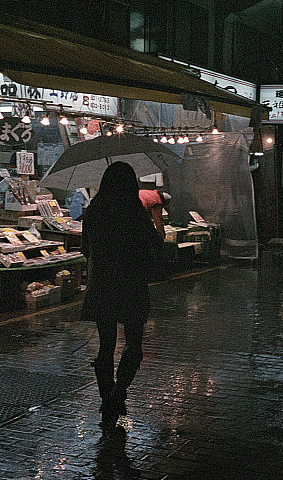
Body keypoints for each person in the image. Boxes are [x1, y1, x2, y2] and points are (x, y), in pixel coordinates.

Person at [81, 162, 163, 430]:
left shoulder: (93, 211)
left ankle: (108, 399)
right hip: (132, 286)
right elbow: (155, 246)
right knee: (133, 346)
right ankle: (119, 393)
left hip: (102, 284)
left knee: (106, 346)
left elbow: (85, 250)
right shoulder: (135, 212)